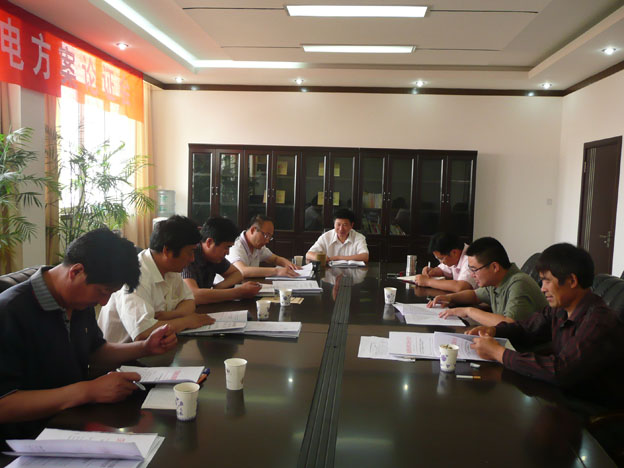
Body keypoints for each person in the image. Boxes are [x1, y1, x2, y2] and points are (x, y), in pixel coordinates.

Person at [0, 229, 177, 442]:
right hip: (29, 439)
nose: (104, 302)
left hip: (74, 422)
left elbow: (95, 351)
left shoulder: (78, 301)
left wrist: (144, 347)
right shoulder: (10, 312)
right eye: (103, 291)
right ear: (76, 271)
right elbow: (4, 404)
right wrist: (87, 391)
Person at [468, 243, 624, 406]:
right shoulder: (560, 309)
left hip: (590, 407)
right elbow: (526, 328)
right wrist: (494, 331)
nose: (542, 289)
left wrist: (498, 353)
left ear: (572, 281)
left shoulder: (599, 321)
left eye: (547, 281)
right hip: (562, 394)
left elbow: (561, 371)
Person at [98, 215, 214, 343]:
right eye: (189, 252)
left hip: (156, 347)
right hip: (124, 352)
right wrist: (186, 321)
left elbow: (189, 302)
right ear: (167, 251)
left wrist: (172, 315)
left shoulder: (170, 268)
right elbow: (143, 333)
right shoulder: (136, 276)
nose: (192, 259)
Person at [428, 237, 547, 326]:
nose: (472, 275)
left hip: (528, 348)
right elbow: (475, 295)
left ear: (494, 267)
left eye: (475, 270)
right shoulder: (495, 281)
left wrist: (468, 311)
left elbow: (509, 324)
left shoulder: (519, 284)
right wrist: (449, 298)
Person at [182, 217, 262, 304]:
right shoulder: (190, 256)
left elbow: (237, 274)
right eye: (226, 247)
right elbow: (193, 295)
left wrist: (217, 288)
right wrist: (239, 292)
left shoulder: (213, 257)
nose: (228, 253)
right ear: (209, 242)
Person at [226, 214, 299, 278]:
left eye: (270, 237)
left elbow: (275, 259)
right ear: (253, 230)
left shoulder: (257, 246)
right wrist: (277, 271)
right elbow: (242, 271)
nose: (267, 241)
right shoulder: (235, 246)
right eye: (266, 235)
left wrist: (289, 264)